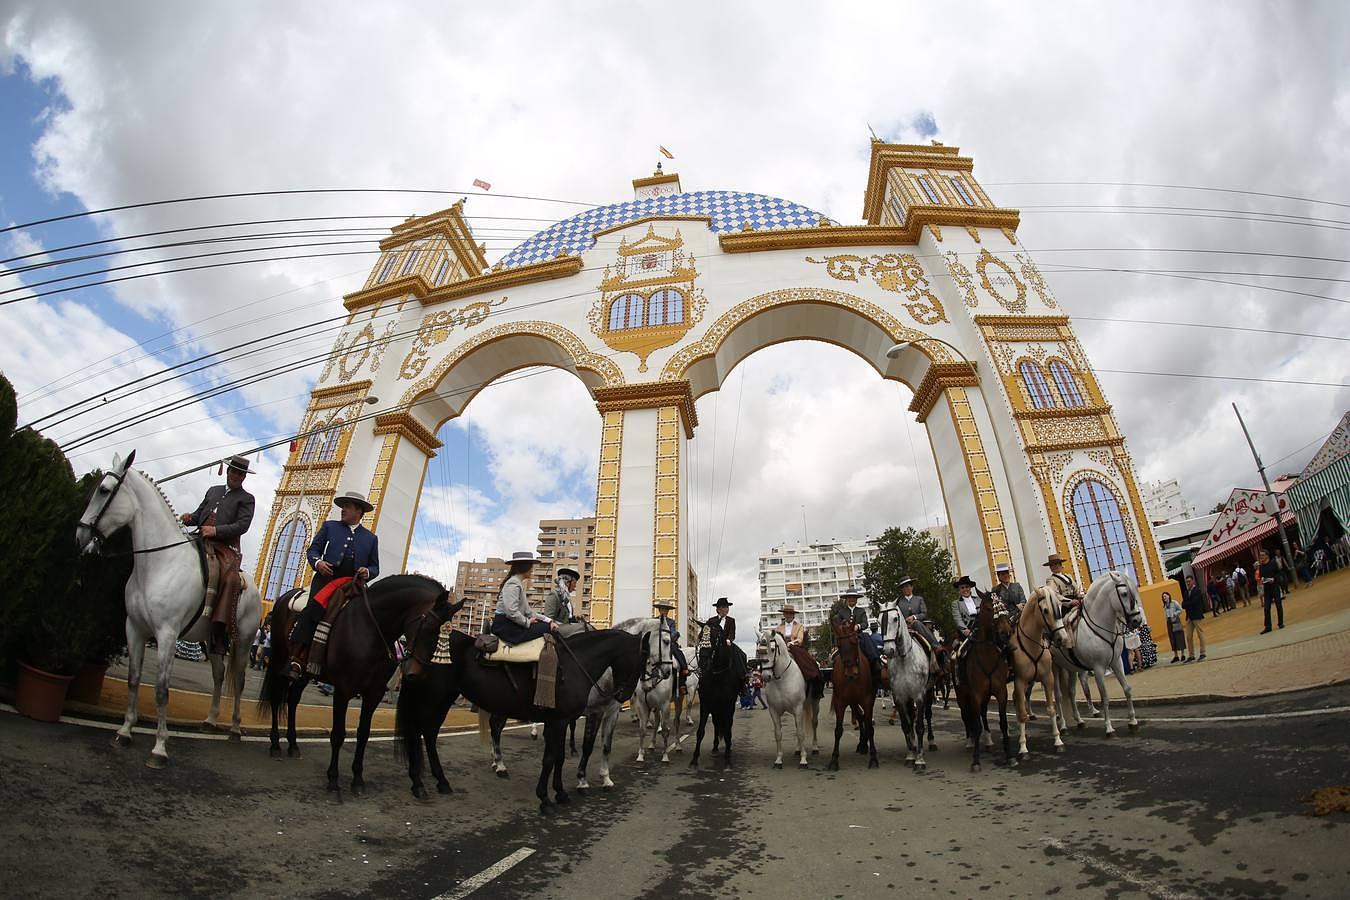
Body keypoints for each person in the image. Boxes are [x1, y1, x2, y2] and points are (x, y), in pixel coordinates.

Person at [288, 491, 381, 678]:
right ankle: (297, 658)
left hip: (352, 584)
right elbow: (313, 550)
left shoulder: (371, 538)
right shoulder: (330, 526)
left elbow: (375, 567)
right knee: (312, 610)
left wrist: (367, 572)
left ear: (359, 511)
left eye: (347, 506)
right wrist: (318, 563)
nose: (343, 510)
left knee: (369, 617)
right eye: (343, 506)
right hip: (325, 580)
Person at [181, 454, 256, 655]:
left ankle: (219, 630)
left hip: (224, 546)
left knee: (231, 579)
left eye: (240, 474)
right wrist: (189, 519)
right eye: (234, 471)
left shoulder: (247, 499)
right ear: (228, 471)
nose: (236, 476)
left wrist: (215, 531)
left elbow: (242, 525)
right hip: (200, 538)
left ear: (244, 477)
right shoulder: (213, 490)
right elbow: (199, 515)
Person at [491, 551, 558, 644]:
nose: (532, 570)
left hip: (512, 624)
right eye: (531, 567)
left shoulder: (518, 582)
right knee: (548, 628)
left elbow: (528, 611)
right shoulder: (513, 583)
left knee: (546, 625)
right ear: (524, 567)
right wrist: (527, 622)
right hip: (506, 627)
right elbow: (511, 612)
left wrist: (548, 620)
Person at [834, 586, 881, 686]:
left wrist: (858, 626)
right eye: (850, 598)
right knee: (840, 645)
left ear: (856, 599)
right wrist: (843, 625)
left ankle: (875, 660)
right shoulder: (841, 612)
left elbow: (865, 624)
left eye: (854, 598)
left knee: (867, 637)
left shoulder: (861, 611)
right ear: (847, 599)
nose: (852, 599)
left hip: (858, 635)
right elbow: (837, 624)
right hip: (846, 637)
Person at [653, 599, 690, 691]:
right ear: (659, 610)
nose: (664, 611)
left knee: (678, 652)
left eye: (666, 609)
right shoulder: (653, 621)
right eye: (662, 609)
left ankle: (683, 677)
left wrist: (668, 638)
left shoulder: (671, 622)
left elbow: (673, 632)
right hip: (655, 644)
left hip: (668, 643)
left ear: (668, 611)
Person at [542, 563, 587, 637]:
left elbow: (565, 618)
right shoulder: (554, 595)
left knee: (585, 625)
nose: (575, 586)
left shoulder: (566, 597)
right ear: (567, 582)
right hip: (556, 629)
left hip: (565, 627)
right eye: (574, 583)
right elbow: (548, 618)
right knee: (584, 627)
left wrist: (575, 618)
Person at [895, 576, 938, 650]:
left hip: (919, 626)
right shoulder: (898, 603)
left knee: (916, 623)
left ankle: (936, 646)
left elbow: (924, 614)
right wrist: (905, 621)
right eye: (904, 587)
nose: (906, 589)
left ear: (912, 587)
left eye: (908, 586)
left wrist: (914, 617)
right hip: (905, 628)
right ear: (902, 589)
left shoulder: (919, 599)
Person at [1256, 547, 1286, 634]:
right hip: (1267, 589)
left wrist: (1274, 579)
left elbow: (1278, 574)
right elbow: (1261, 576)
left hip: (1275, 587)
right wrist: (1262, 579)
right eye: (1260, 555)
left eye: (1262, 555)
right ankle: (1268, 626)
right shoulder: (1261, 567)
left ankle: (1280, 623)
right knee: (1266, 608)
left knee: (1278, 605)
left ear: (1267, 556)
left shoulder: (1273, 563)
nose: (1261, 557)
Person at [1181, 574, 1207, 662]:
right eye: (1187, 582)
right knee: (1188, 636)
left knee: (1200, 634)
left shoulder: (1197, 590)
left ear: (1193, 581)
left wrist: (1187, 604)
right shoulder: (1186, 592)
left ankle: (1203, 653)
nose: (1188, 583)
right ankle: (1191, 655)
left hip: (1196, 615)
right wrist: (1188, 604)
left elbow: (1194, 602)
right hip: (1189, 616)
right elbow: (1183, 604)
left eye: (1189, 581)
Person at [949, 575, 980, 640]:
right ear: (959, 590)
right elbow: (958, 619)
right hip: (968, 630)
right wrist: (964, 630)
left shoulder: (978, 599)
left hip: (981, 627)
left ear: (970, 588)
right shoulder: (956, 604)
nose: (965, 589)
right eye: (962, 588)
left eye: (967, 587)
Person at [1162, 591, 1186, 664]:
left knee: (1179, 637)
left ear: (1169, 596)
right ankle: (1176, 656)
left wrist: (1175, 614)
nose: (1164, 598)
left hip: (1175, 621)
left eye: (1165, 596)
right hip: (1169, 622)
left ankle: (1182, 654)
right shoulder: (1165, 606)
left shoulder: (1174, 602)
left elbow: (1180, 609)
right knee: (1172, 639)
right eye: (1163, 597)